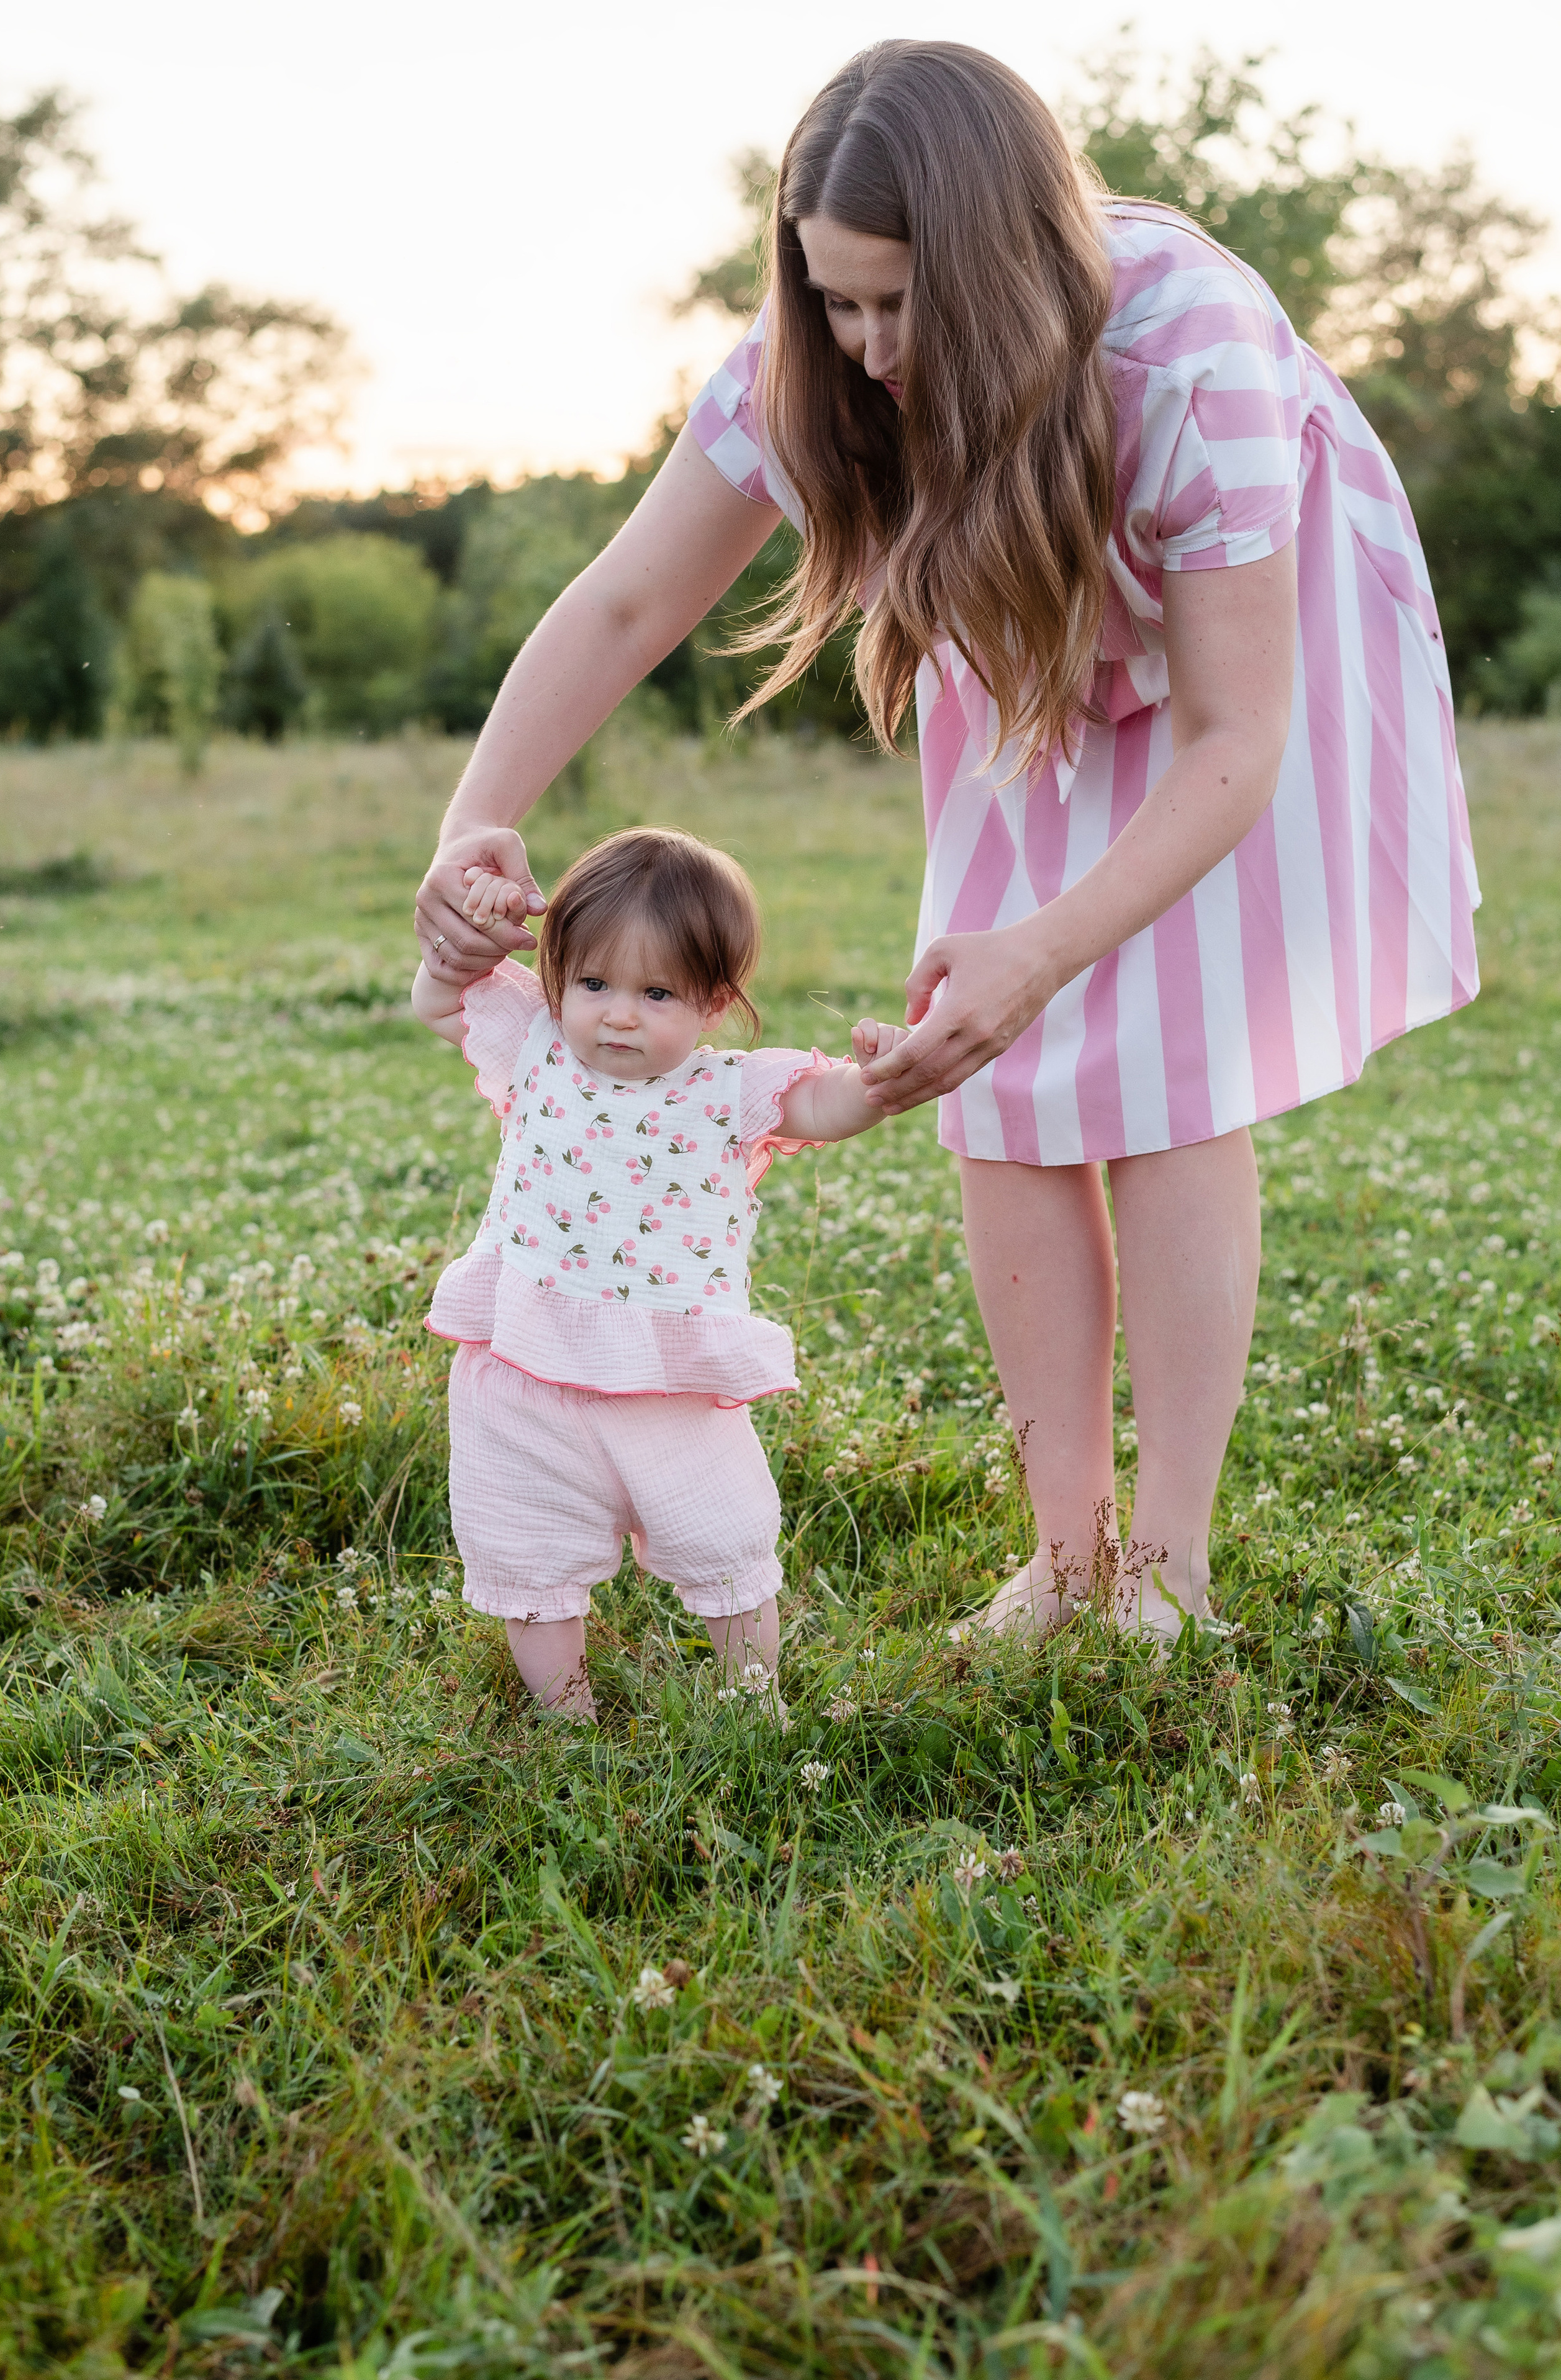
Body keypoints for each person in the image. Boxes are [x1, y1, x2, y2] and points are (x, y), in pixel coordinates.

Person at [414, 42, 1479, 1646]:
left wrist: (1046, 951)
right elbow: (629, 599)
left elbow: (1233, 740)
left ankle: (1166, 1566)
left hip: (1229, 674)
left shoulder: (1191, 354)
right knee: (991, 1083)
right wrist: (474, 819)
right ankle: (1063, 1556)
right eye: (834, 300)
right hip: (1026, 633)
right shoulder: (806, 370)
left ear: (999, 263)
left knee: (1172, 1072)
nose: (868, 345)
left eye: (900, 303)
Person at [410, 826, 911, 1720]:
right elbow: (442, 997)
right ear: (560, 977)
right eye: (593, 984)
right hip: (523, 1372)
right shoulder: (535, 1044)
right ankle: (565, 1717)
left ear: (713, 1002)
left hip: (670, 1384)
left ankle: (753, 1703)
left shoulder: (727, 1091)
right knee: (528, 1549)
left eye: (656, 993)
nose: (618, 1016)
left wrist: (881, 1075)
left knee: (726, 1538)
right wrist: (473, 925)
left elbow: (828, 1105)